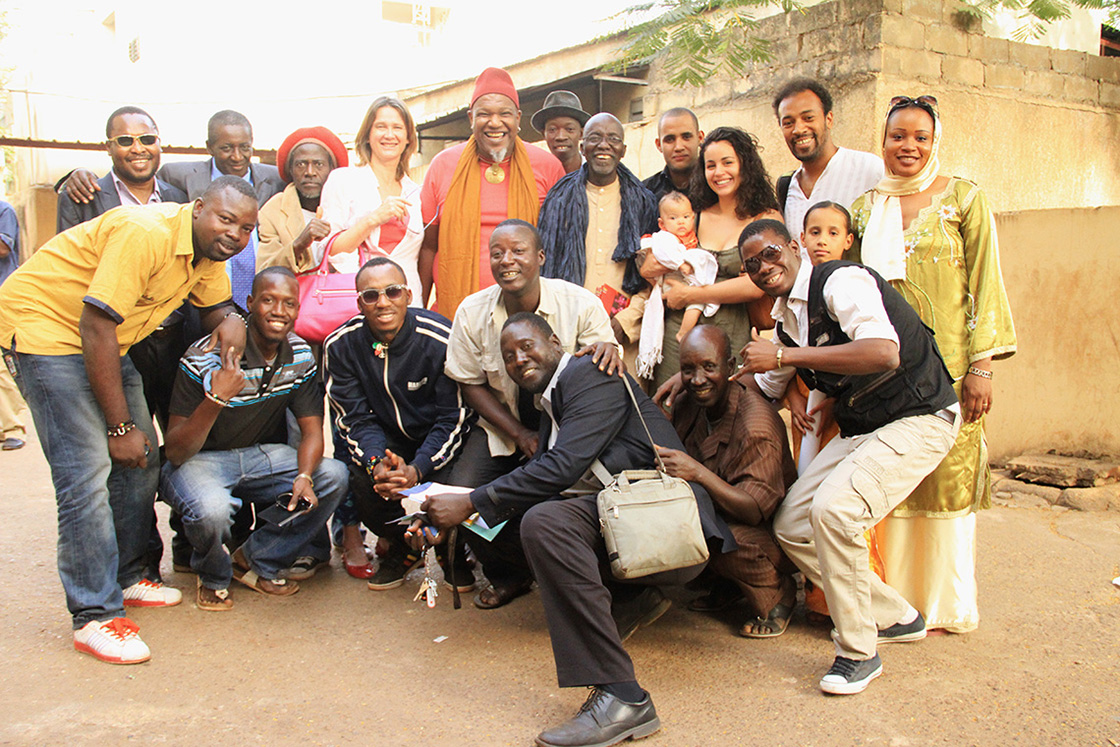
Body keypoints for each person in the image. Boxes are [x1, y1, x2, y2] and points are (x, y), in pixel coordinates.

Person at [420, 313, 734, 747]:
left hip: (669, 525)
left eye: (527, 346)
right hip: (629, 517)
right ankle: (631, 600)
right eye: (509, 356)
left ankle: (623, 697)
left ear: (554, 341)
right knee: (516, 523)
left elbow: (561, 468)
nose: (519, 359)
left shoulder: (590, 375)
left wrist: (470, 502)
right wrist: (455, 520)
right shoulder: (552, 401)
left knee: (545, 522)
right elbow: (547, 477)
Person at [0, 176, 257, 663]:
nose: (235, 235)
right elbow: (96, 322)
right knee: (87, 473)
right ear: (198, 208)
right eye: (226, 219)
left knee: (141, 459)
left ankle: (131, 573)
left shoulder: (208, 253)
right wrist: (117, 427)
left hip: (103, 340)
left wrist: (233, 322)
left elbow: (215, 307)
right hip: (46, 331)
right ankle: (93, 614)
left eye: (246, 228)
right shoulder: (148, 232)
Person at [739, 218, 961, 695]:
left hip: (918, 416)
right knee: (792, 525)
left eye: (771, 253)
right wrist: (702, 379)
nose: (763, 266)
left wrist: (783, 358)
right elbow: (761, 384)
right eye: (751, 264)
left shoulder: (841, 280)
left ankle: (858, 652)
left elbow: (882, 352)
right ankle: (895, 616)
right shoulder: (786, 322)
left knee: (834, 510)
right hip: (867, 428)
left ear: (795, 247)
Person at [850, 95, 1016, 634]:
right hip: (887, 374)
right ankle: (894, 606)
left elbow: (985, 283)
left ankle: (945, 605)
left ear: (934, 142)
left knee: (945, 477)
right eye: (899, 135)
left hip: (952, 370)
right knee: (891, 481)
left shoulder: (964, 199)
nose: (909, 146)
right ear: (883, 142)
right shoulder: (863, 209)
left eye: (920, 137)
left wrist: (983, 366)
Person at [444, 219, 621, 608]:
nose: (507, 260)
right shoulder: (472, 313)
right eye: (497, 253)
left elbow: (605, 363)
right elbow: (470, 382)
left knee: (567, 503)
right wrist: (520, 434)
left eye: (518, 251)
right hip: (502, 425)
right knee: (467, 496)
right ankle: (511, 574)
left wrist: (610, 349)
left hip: (568, 431)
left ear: (540, 257)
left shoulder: (579, 304)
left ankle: (598, 580)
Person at [161, 267, 347, 609]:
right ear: (249, 304)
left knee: (332, 476)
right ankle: (214, 576)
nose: (279, 311)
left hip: (260, 456)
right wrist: (216, 398)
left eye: (289, 303)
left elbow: (310, 431)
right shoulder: (206, 356)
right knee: (213, 511)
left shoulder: (300, 354)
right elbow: (174, 451)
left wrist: (304, 477)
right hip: (200, 463)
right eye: (268, 301)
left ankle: (255, 558)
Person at [323, 257, 472, 591]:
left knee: (458, 484)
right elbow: (353, 418)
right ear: (359, 303)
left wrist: (418, 469)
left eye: (392, 292)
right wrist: (378, 463)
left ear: (407, 294)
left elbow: (454, 418)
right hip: (387, 446)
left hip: (439, 445)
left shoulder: (439, 338)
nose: (383, 302)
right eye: (371, 295)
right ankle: (404, 546)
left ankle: (452, 550)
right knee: (363, 478)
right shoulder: (341, 346)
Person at [61, 110, 284, 314]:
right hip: (108, 315)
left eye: (147, 140)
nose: (236, 156)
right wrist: (77, 173)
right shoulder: (88, 196)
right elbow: (69, 266)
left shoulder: (176, 196)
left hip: (183, 317)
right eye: (125, 141)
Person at [658, 325, 797, 637]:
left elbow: (753, 510)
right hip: (725, 516)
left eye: (709, 367)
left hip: (766, 534)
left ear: (731, 368)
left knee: (719, 539)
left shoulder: (755, 423)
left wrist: (696, 472)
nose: (697, 380)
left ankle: (778, 593)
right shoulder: (691, 402)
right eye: (687, 370)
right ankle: (732, 587)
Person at [418, 67, 566, 318]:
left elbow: (561, 246)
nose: (495, 122)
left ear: (518, 118)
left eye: (504, 114)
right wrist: (418, 313)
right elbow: (428, 247)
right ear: (470, 118)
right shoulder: (442, 165)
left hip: (530, 316)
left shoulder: (547, 166)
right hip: (457, 314)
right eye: (484, 114)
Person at [650, 126, 782, 389]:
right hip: (680, 335)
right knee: (668, 410)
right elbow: (656, 262)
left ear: (745, 165)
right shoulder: (694, 215)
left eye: (727, 162)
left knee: (726, 415)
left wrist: (692, 295)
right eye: (710, 165)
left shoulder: (765, 218)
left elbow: (756, 286)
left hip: (730, 334)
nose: (719, 172)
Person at [538, 112, 657, 366]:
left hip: (625, 332)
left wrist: (624, 322)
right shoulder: (558, 199)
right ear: (582, 147)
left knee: (625, 401)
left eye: (613, 139)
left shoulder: (645, 202)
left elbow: (655, 276)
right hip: (569, 327)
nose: (604, 145)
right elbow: (545, 273)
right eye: (595, 138)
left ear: (623, 150)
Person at [317, 97, 426, 299]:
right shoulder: (343, 180)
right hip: (358, 298)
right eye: (381, 127)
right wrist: (373, 219)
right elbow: (328, 249)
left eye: (398, 128)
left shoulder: (418, 192)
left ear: (409, 138)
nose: (389, 135)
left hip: (409, 302)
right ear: (367, 135)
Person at [772, 78, 884, 238]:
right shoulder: (787, 186)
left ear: (828, 119)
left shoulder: (869, 170)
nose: (798, 129)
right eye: (789, 123)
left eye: (808, 118)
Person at [56, 106, 188, 232]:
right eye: (125, 141)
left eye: (147, 139)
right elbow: (68, 255)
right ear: (108, 147)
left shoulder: (179, 200)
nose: (138, 149)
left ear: (159, 144)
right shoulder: (82, 201)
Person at [635, 191, 718, 379]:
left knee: (697, 301)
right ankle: (683, 332)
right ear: (662, 224)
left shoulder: (692, 235)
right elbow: (662, 254)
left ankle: (688, 327)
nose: (681, 222)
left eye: (686, 217)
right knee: (696, 302)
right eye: (674, 218)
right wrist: (681, 264)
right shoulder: (664, 237)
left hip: (687, 283)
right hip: (672, 281)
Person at [255, 126, 349, 273]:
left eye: (318, 164)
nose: (310, 172)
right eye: (301, 164)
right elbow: (264, 271)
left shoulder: (351, 203)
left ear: (332, 170)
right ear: (290, 170)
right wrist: (299, 244)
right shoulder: (273, 210)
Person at [0, 200, 26, 451]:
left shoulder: (2, 210)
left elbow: (3, 248)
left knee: (2, 367)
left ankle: (12, 427)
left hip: (2, 296)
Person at [642, 108, 704, 202]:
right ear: (659, 145)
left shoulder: (716, 186)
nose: (678, 147)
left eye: (686, 137)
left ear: (700, 138)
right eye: (670, 139)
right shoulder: (645, 193)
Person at [530, 90, 591, 174]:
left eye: (569, 129)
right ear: (544, 134)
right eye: (552, 129)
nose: (561, 137)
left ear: (581, 133)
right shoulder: (536, 174)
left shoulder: (594, 172)